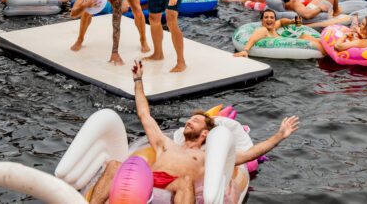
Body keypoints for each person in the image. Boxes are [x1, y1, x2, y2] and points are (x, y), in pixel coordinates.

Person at [90, 60, 299, 204]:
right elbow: (145, 115)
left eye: (196, 121)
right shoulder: (165, 145)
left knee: (185, 181)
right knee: (114, 165)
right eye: (190, 119)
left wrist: (279, 135)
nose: (189, 121)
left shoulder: (210, 156)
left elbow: (249, 155)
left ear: (205, 133)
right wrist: (138, 81)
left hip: (175, 186)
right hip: (147, 181)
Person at [70, 0, 149, 64]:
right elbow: (73, 14)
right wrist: (85, 5)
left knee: (137, 10)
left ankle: (143, 40)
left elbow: (116, 24)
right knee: (86, 12)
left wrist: (115, 52)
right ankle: (80, 39)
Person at [233, 8, 321, 56]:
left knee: (304, 35)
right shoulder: (263, 30)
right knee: (304, 37)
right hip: (284, 49)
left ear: (274, 20)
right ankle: (327, 46)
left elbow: (282, 21)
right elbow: (254, 37)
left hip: (290, 44)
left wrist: (292, 21)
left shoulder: (273, 27)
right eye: (266, 17)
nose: (269, 20)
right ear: (261, 20)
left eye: (272, 18)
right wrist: (245, 50)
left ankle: (326, 44)